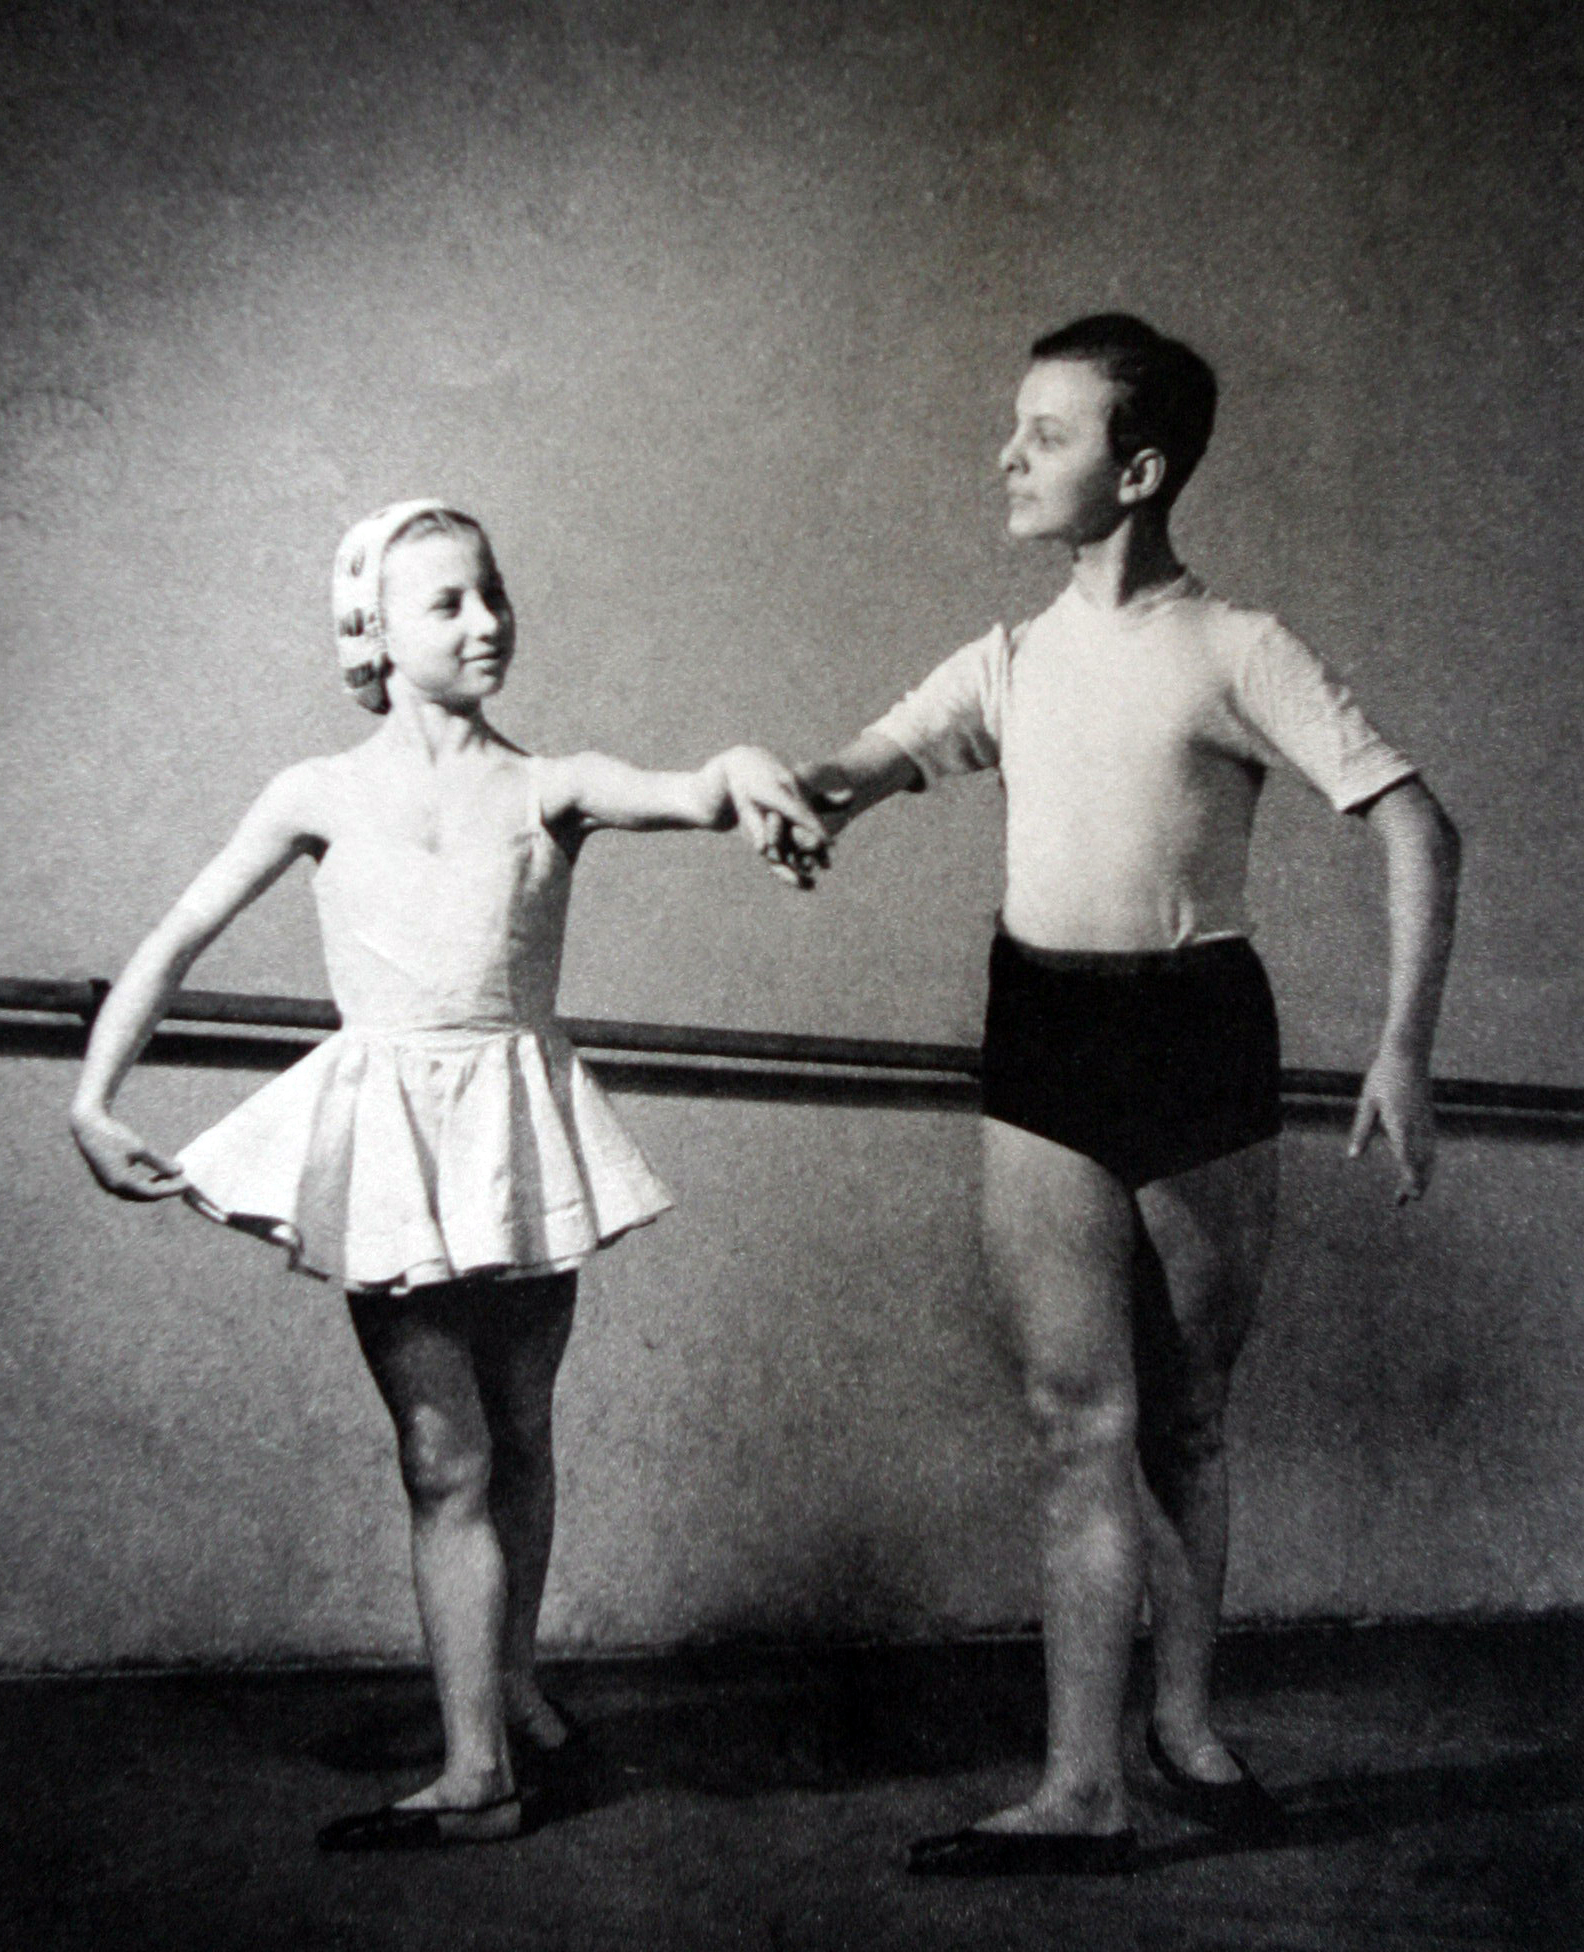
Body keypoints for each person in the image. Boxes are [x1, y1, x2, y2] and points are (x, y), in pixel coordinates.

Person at [786, 317, 1460, 1875]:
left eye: (1047, 434)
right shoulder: (1008, 661)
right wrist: (779, 791)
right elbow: (853, 769)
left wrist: (1405, 1049)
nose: (1009, 458)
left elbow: (1419, 827)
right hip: (1044, 1036)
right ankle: (1080, 1787)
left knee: (1190, 1417)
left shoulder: (1237, 647)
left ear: (1139, 470)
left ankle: (1188, 1726)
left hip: (1195, 1038)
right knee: (1073, 1422)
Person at [69, 499, 830, 1851]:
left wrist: (744, 767)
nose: (487, 622)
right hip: (393, 1145)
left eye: (495, 592)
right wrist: (91, 1098)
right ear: (373, 629)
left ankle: (510, 1686)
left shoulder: (552, 784)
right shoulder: (316, 792)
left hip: (519, 1131)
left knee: (522, 1433)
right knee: (444, 1456)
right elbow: (178, 933)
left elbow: (695, 788)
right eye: (449, 602)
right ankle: (476, 1768)